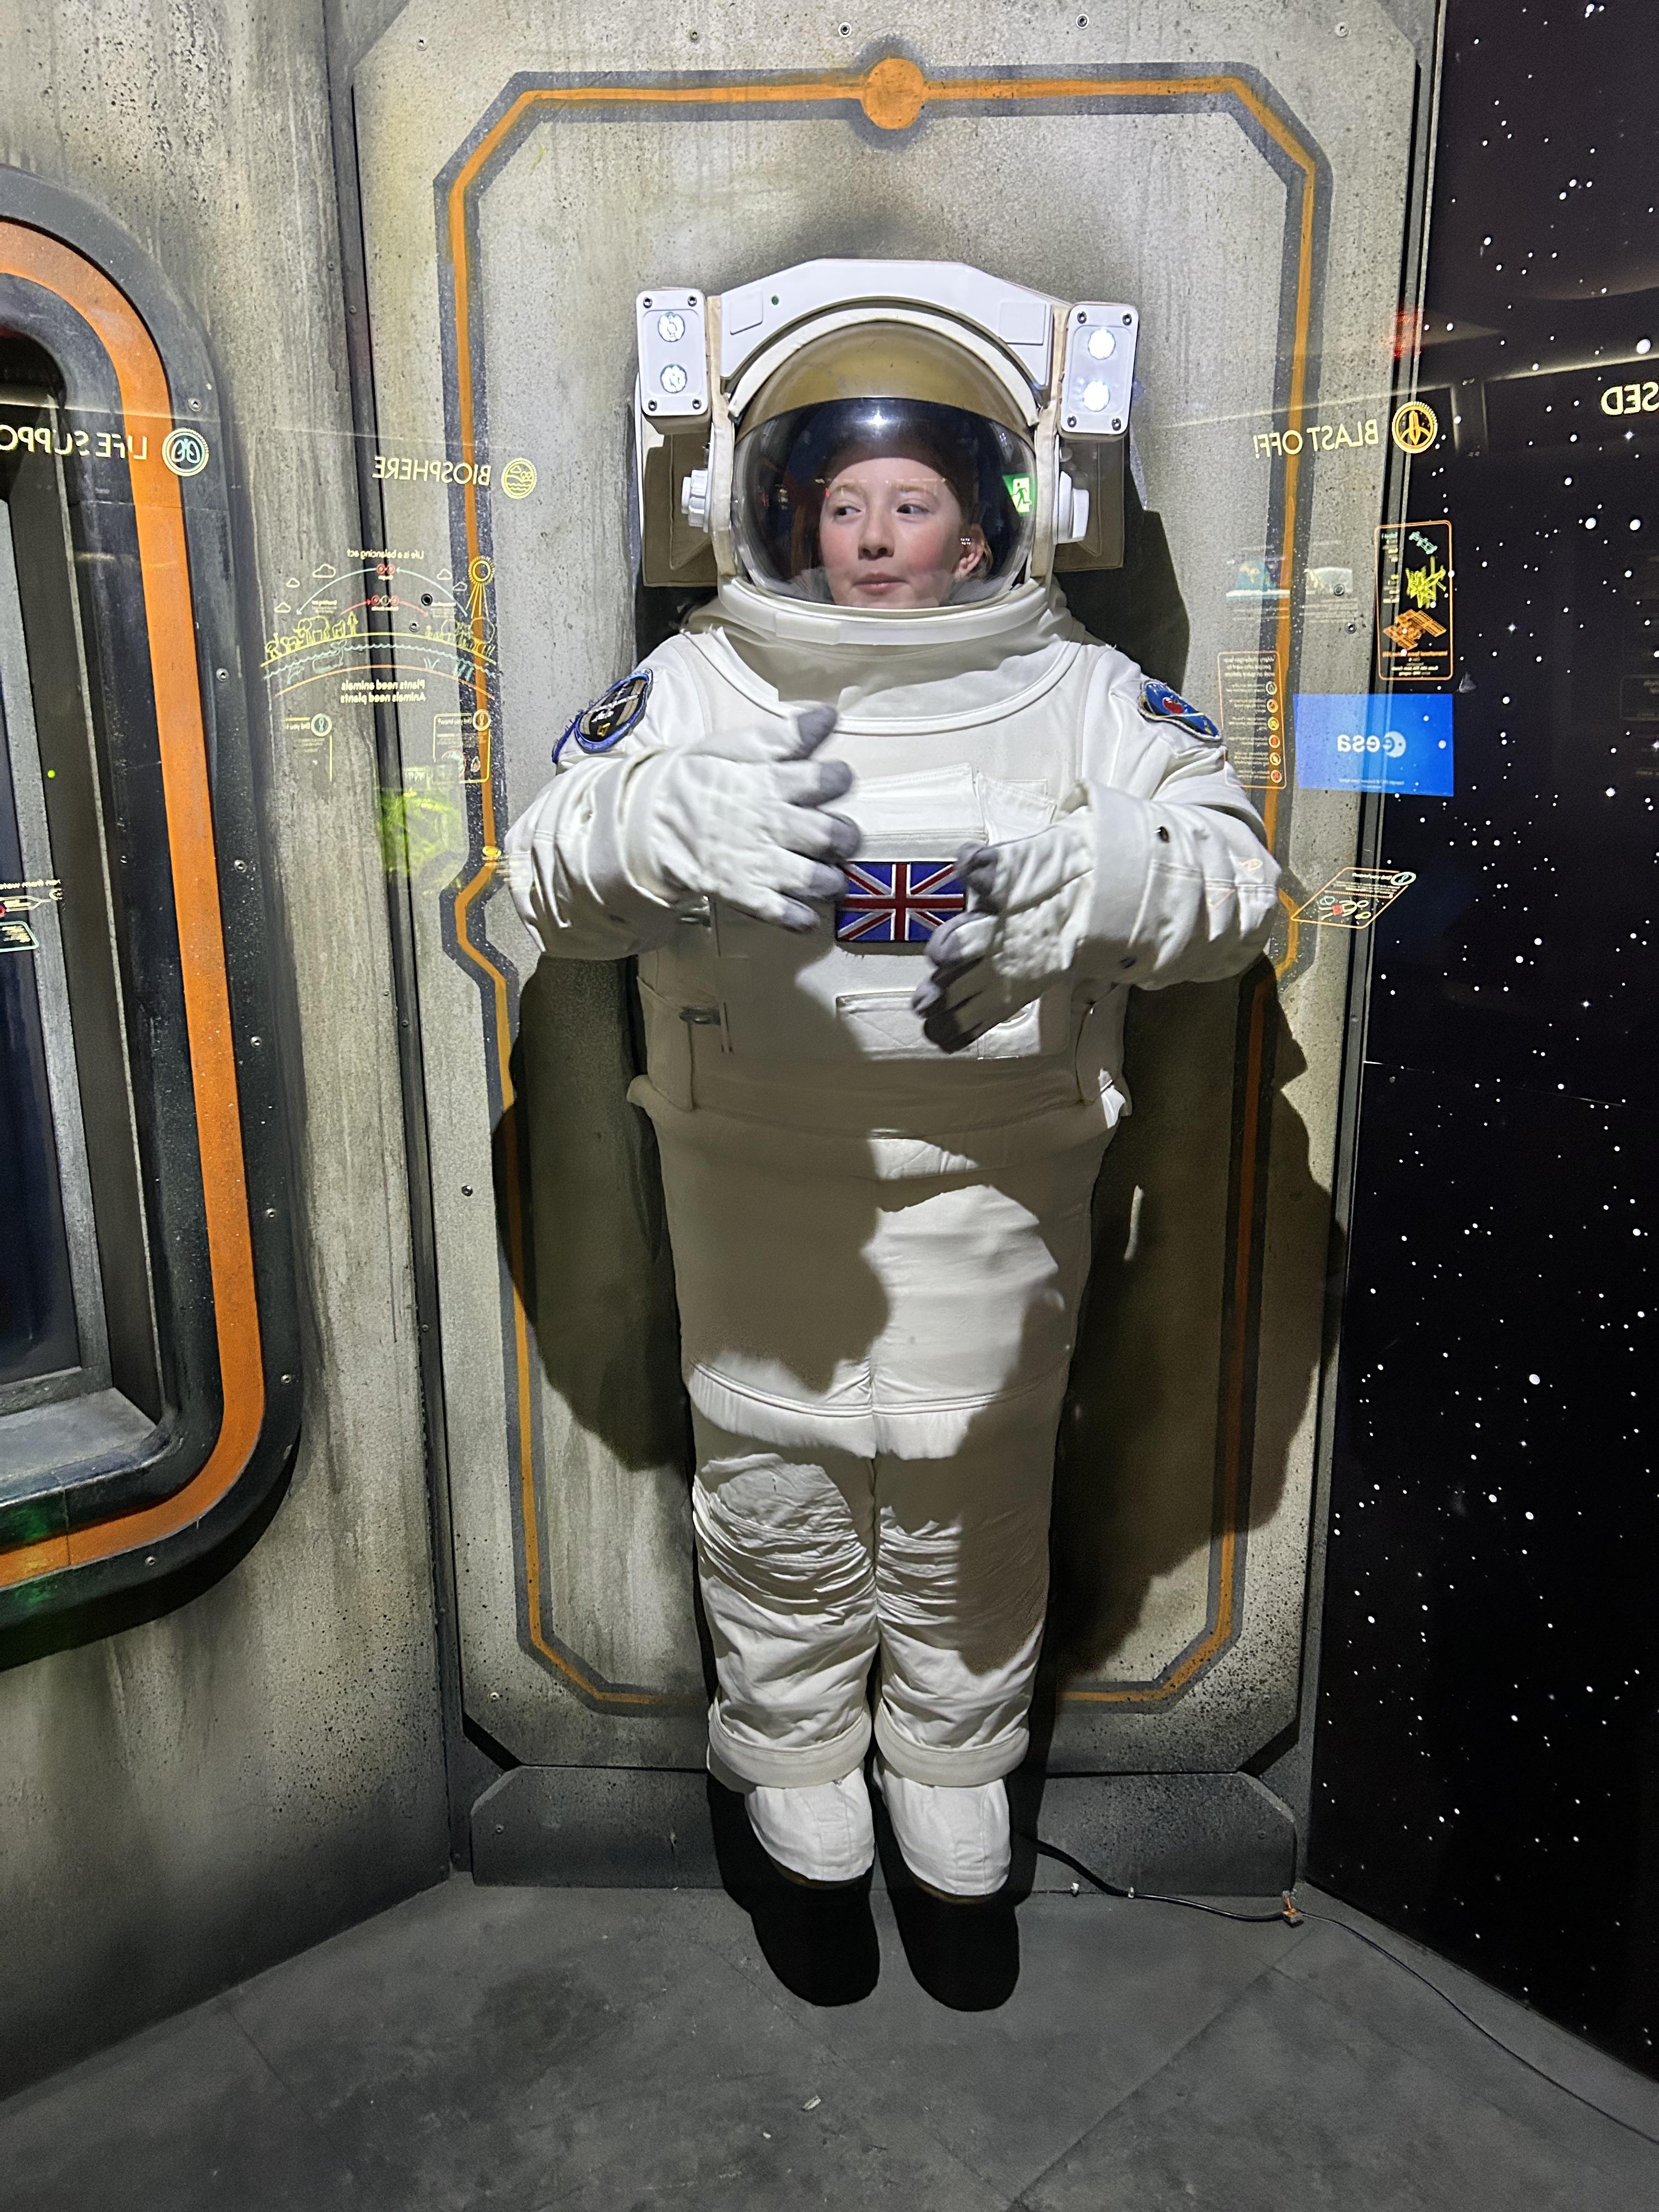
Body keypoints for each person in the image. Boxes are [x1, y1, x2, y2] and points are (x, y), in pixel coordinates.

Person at [506, 313, 1280, 1899]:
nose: (872, 535)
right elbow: (546, 872)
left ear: (987, 527)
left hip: (1001, 1177)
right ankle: (791, 1748)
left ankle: (952, 1754)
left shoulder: (1082, 697)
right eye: (843, 502)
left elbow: (1241, 887)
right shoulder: (704, 684)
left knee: (975, 1480)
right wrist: (656, 821)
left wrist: (1108, 878)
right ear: (782, 518)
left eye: (913, 503)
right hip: (753, 1178)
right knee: (771, 1476)